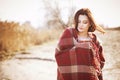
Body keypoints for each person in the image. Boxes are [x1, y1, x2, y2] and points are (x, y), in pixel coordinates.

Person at [55, 8, 105, 80]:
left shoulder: (95, 41)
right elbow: (59, 54)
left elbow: (100, 63)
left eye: (85, 22)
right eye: (79, 21)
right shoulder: (68, 35)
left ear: (90, 23)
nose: (81, 25)